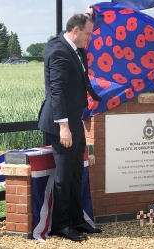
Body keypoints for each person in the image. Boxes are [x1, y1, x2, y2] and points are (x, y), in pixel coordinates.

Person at [38, 13, 102, 241]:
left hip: (74, 120)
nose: (90, 38)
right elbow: (57, 92)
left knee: (76, 174)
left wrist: (83, 115)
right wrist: (64, 127)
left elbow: (80, 84)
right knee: (64, 177)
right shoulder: (58, 51)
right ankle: (61, 225)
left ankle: (76, 220)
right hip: (61, 125)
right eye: (88, 33)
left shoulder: (75, 48)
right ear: (75, 31)